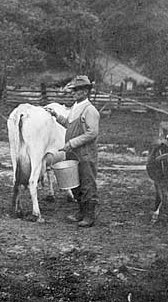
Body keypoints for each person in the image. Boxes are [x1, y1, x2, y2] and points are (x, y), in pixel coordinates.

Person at [45, 75, 100, 227]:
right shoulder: (75, 108)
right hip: (73, 153)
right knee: (75, 184)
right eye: (73, 90)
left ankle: (90, 215)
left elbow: (92, 133)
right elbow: (70, 126)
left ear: (85, 92)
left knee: (87, 183)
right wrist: (56, 116)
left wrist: (71, 143)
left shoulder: (90, 110)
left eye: (76, 90)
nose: (73, 93)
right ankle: (81, 211)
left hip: (85, 153)